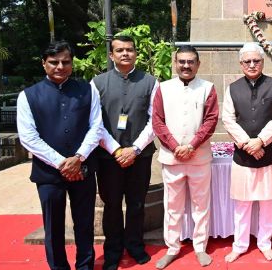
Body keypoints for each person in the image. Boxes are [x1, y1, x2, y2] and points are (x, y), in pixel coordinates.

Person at [17, 40, 106, 270]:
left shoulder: (88, 90)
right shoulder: (28, 96)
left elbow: (96, 127)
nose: (60, 66)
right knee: (53, 227)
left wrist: (78, 158)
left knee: (84, 224)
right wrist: (61, 163)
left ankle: (85, 266)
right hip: (48, 174)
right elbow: (28, 137)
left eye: (65, 62)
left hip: (83, 169)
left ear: (72, 63)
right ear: (43, 64)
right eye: (54, 62)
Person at [90, 35, 156, 270]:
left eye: (129, 49)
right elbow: (94, 122)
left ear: (136, 53)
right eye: (120, 50)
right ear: (111, 55)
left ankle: (135, 246)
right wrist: (117, 149)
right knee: (112, 205)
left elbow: (154, 120)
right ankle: (113, 250)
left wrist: (135, 149)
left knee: (137, 203)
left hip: (140, 156)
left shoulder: (150, 82)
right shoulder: (97, 83)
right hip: (109, 157)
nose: (125, 53)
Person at [150, 45, 219, 269]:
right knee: (173, 205)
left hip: (199, 157)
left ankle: (200, 246)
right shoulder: (163, 88)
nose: (186, 66)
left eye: (191, 62)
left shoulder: (208, 88)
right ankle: (172, 247)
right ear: (175, 63)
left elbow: (210, 121)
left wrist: (191, 145)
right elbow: (157, 121)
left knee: (201, 204)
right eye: (182, 62)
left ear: (198, 64)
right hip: (172, 158)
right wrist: (175, 146)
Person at [220, 42, 272, 263]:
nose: (252, 65)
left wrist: (260, 141)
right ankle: (239, 245)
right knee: (242, 203)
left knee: (268, 202)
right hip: (243, 155)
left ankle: (264, 243)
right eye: (247, 61)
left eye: (256, 61)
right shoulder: (232, 88)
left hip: (270, 153)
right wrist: (247, 144)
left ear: (262, 61)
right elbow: (228, 119)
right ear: (241, 64)